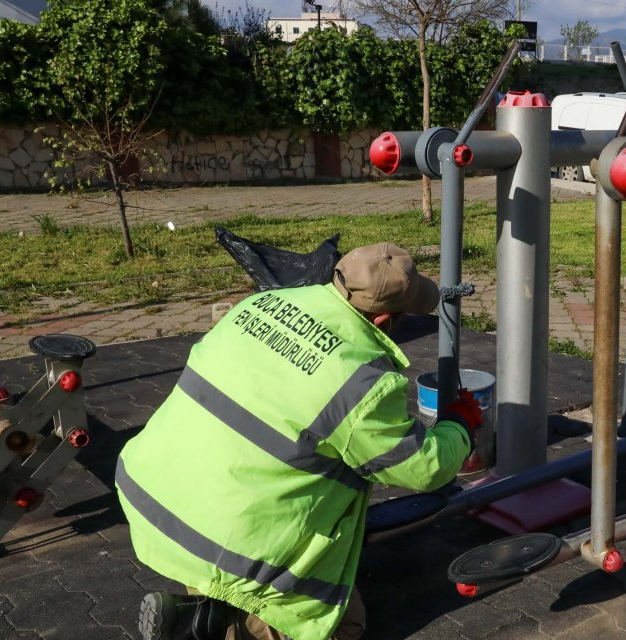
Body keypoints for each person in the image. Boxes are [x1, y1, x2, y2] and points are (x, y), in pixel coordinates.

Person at [116, 242, 482, 640]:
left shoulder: (258, 305)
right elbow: (423, 468)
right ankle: (212, 624)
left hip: (153, 494)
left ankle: (198, 602)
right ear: (381, 321)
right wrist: (459, 426)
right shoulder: (360, 383)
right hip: (226, 535)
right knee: (343, 624)